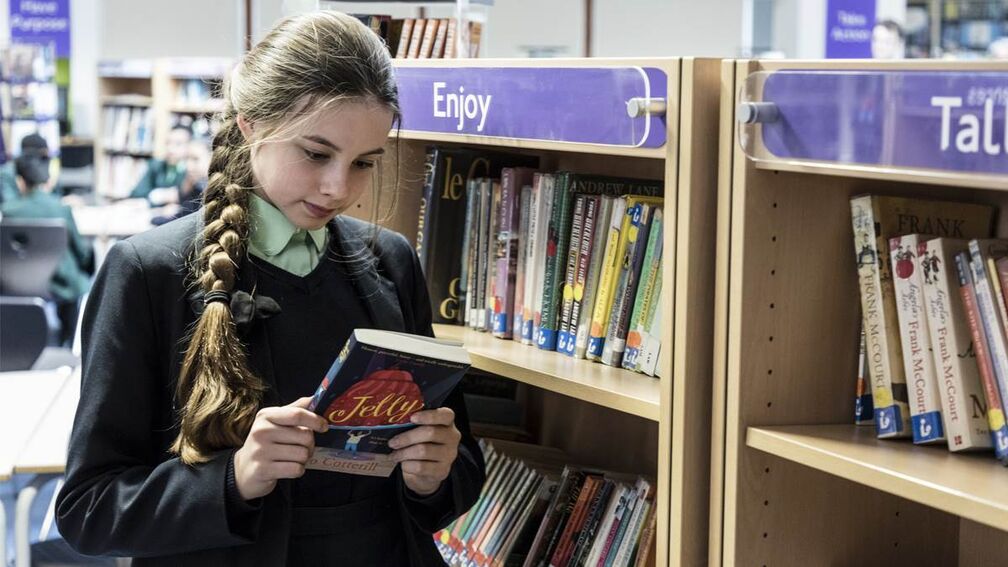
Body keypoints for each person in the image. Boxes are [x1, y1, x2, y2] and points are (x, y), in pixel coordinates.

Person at [55, 11, 485, 566]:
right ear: (252, 124)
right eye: (316, 153)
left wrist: (436, 473)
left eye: (364, 163)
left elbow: (460, 465)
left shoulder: (392, 262)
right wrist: (231, 480)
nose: (337, 187)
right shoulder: (146, 273)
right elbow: (88, 510)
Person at [1, 136, 94, 345]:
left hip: (19, 281)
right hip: (61, 283)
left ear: (20, 180)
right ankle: (68, 341)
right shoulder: (62, 209)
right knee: (77, 276)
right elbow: (81, 253)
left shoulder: (8, 211)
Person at [150, 139, 211, 225]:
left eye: (195, 159)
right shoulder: (196, 186)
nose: (188, 166)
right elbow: (184, 215)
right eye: (186, 159)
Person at [128, 124, 191, 202]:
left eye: (178, 144)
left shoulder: (191, 171)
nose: (170, 149)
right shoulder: (156, 165)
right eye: (168, 143)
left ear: (190, 146)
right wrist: (160, 197)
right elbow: (136, 194)